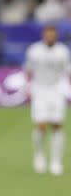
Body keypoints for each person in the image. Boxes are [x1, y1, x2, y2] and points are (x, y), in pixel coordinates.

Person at [24, 24, 71, 175]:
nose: (50, 36)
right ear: (44, 35)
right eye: (48, 33)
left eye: (53, 33)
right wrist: (27, 87)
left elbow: (67, 71)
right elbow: (28, 70)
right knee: (41, 126)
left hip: (56, 90)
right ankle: (39, 155)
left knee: (57, 125)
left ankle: (56, 162)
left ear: (56, 35)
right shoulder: (34, 50)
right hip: (40, 90)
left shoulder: (63, 51)